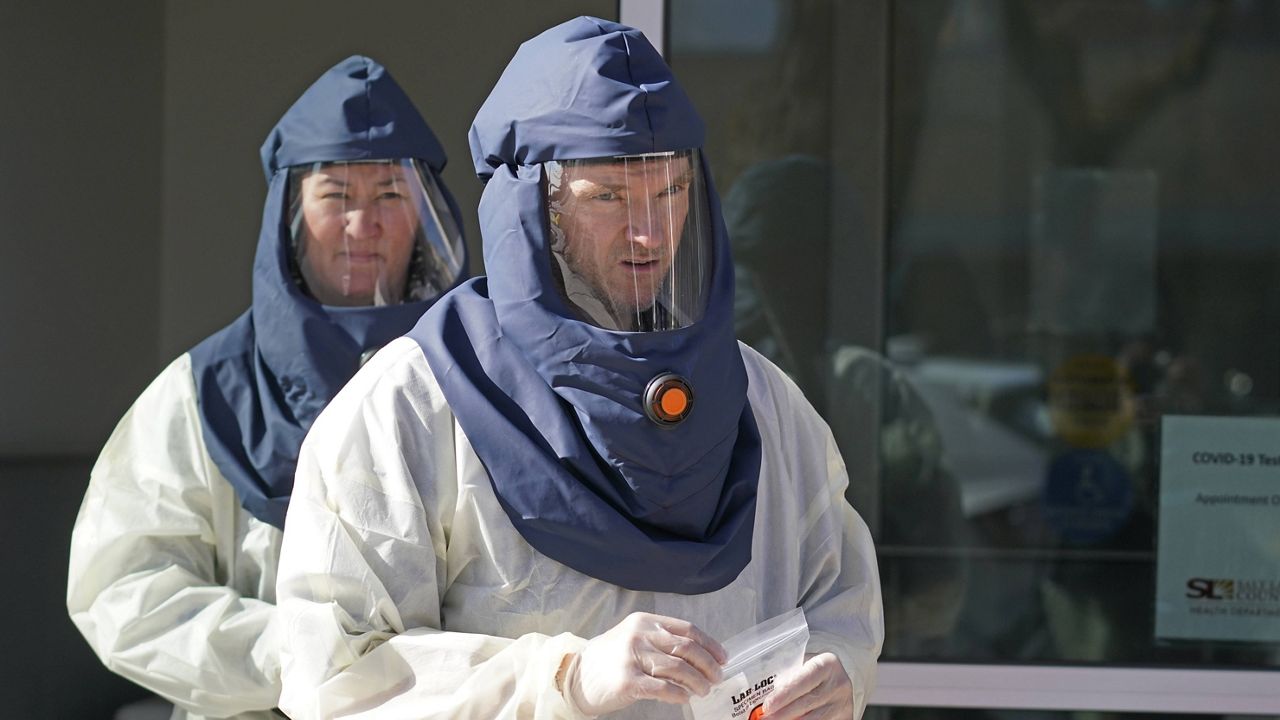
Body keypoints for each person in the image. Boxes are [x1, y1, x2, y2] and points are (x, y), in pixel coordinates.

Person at [276, 18, 882, 720]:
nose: (651, 233)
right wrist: (565, 678)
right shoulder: (411, 405)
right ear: (534, 210)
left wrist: (839, 670)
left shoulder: (763, 401)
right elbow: (337, 676)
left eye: (669, 190)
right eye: (608, 197)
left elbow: (840, 598)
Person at [66, 55, 467, 720]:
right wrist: (310, 659)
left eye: (391, 196)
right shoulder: (206, 393)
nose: (362, 226)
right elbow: (121, 588)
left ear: (426, 216)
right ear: (289, 215)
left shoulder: (477, 378)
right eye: (335, 196)